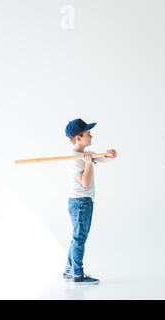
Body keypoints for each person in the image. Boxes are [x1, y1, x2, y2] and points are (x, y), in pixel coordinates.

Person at [63, 118, 117, 284]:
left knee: (76, 237)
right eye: (88, 134)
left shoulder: (84, 154)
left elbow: (104, 159)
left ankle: (68, 270)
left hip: (81, 201)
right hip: (81, 202)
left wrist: (110, 155)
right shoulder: (75, 158)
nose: (91, 136)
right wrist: (88, 164)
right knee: (79, 238)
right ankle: (78, 275)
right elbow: (85, 183)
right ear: (78, 138)